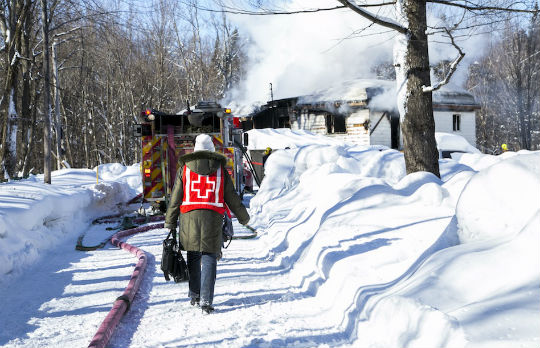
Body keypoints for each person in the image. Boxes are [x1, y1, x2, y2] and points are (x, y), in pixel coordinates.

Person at [165, 134, 250, 314]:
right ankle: (206, 301)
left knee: (194, 255)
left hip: (189, 219)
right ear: (212, 149)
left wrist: (170, 221)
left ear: (195, 149)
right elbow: (232, 197)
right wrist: (244, 217)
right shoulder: (220, 170)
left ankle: (194, 293)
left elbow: (175, 197)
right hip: (212, 219)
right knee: (210, 257)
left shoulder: (185, 169)